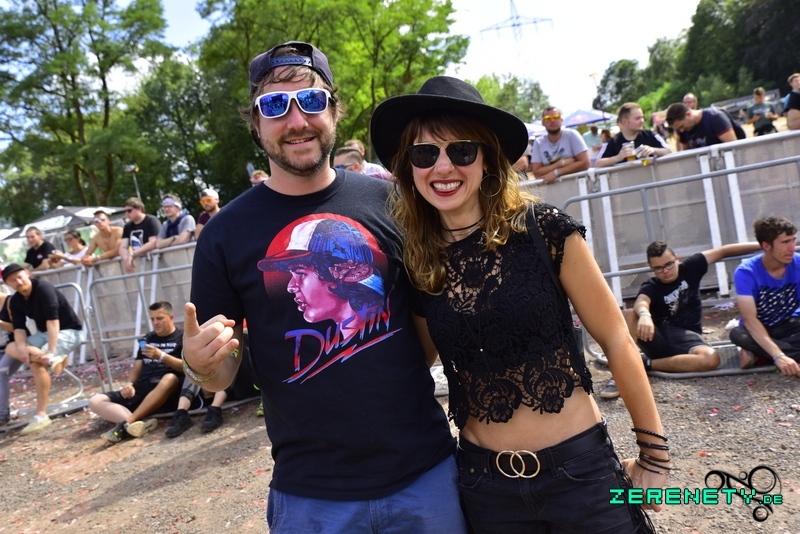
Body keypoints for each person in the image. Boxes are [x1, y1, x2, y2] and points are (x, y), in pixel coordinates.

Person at [181, 41, 466, 533]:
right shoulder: (223, 235)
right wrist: (199, 364)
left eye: (311, 101)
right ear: (256, 123)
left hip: (424, 476)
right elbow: (220, 377)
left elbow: (426, 334)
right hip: (310, 496)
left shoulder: (394, 202)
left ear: (334, 111)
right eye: (275, 105)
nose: (297, 121)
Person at [369, 75, 667, 532]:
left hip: (582, 478)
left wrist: (654, 455)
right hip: (487, 492)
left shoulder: (543, 230)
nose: (443, 167)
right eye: (425, 153)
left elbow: (616, 339)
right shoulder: (418, 262)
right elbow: (414, 367)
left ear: (487, 158)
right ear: (409, 167)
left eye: (461, 151)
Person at [598, 239, 761, 399]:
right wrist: (645, 315)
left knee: (711, 359)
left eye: (669, 264)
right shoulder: (652, 285)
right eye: (658, 268)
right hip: (658, 337)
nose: (665, 271)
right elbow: (641, 301)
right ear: (651, 268)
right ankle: (619, 376)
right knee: (630, 314)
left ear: (677, 258)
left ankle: (643, 364)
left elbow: (723, 251)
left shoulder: (690, 267)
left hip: (688, 337)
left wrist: (764, 244)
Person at [2, 264, 84, 435]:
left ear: (27, 274)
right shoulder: (16, 300)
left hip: (68, 331)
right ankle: (53, 361)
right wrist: (22, 347)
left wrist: (51, 351)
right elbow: (18, 328)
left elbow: (53, 321)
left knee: (35, 365)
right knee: (12, 347)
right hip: (43, 334)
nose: (18, 282)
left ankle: (41, 414)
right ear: (8, 284)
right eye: (13, 280)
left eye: (20, 277)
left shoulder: (44, 289)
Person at [88, 301, 185, 443]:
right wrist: (129, 384)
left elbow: (187, 368)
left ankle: (125, 424)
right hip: (143, 386)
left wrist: (162, 356)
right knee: (95, 401)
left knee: (169, 378)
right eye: (152, 319)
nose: (155, 323)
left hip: (166, 388)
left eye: (159, 318)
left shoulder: (182, 338)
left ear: (171, 318)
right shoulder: (148, 339)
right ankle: (137, 424)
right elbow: (137, 367)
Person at [730, 216, 800, 377]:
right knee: (737, 334)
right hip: (758, 330)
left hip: (788, 325)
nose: (792, 247)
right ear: (766, 246)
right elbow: (750, 320)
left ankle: (759, 355)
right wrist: (779, 356)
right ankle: (781, 355)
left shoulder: (798, 264)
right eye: (785, 242)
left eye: (793, 240)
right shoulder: (746, 272)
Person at [595, 103, 671, 167]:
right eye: (638, 118)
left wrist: (653, 150)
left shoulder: (650, 134)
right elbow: (597, 163)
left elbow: (669, 151)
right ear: (624, 122)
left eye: (642, 117)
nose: (642, 121)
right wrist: (618, 157)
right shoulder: (613, 141)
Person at [530, 106, 590, 184]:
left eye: (556, 117)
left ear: (561, 120)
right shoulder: (538, 142)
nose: (552, 120)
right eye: (548, 118)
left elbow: (585, 163)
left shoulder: (572, 135)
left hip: (577, 185)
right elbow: (537, 173)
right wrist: (561, 163)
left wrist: (557, 172)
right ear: (543, 122)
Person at [665, 102, 740, 150]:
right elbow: (687, 153)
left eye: (681, 126)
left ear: (688, 114)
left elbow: (734, 146)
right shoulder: (682, 129)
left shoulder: (714, 118)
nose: (681, 130)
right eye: (678, 129)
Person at [118, 197, 161, 274]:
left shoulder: (151, 220)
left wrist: (132, 254)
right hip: (142, 265)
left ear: (139, 209)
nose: (126, 214)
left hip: (157, 262)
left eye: (129, 211)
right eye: (125, 211)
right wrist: (126, 258)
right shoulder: (128, 226)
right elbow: (123, 246)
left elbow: (153, 242)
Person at [0, 293, 23, 426]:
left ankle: (2, 415)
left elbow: (19, 328)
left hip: (15, 346)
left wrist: (1, 323)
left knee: (1, 373)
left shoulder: (9, 301)